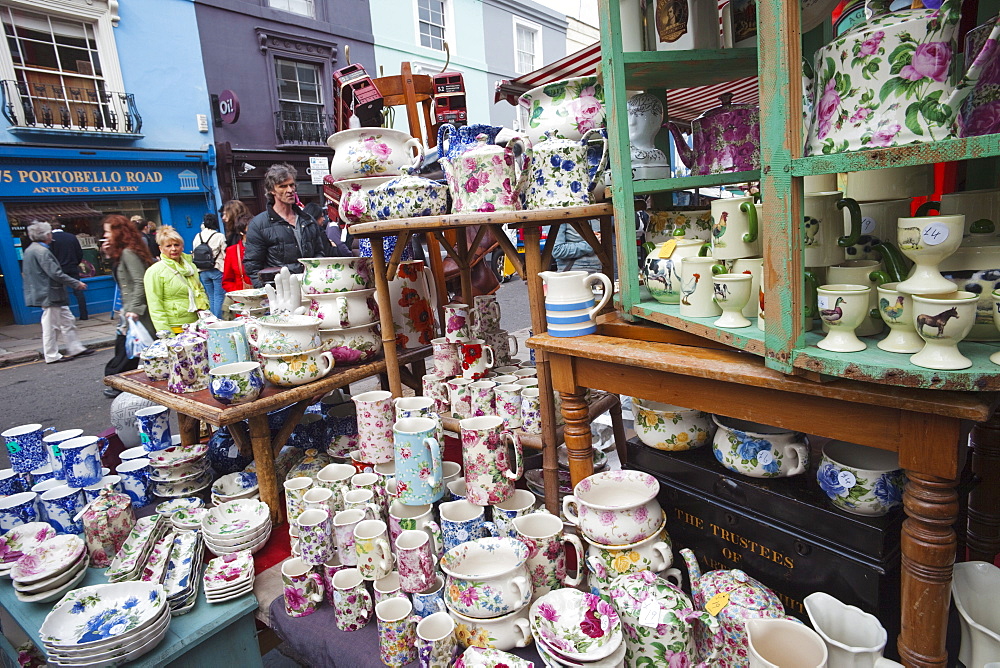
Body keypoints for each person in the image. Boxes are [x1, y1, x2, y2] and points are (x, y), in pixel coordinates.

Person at [243, 163, 331, 287]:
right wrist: (268, 293)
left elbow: (320, 252)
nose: (289, 190)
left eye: (291, 185)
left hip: (311, 287)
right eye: (283, 186)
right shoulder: (259, 224)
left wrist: (316, 275)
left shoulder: (307, 220)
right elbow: (253, 266)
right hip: (280, 292)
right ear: (272, 190)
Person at [21, 221, 93, 364]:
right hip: (49, 293)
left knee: (68, 320)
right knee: (51, 326)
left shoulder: (32, 249)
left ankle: (75, 348)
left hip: (50, 292)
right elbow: (55, 273)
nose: (51, 236)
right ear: (46, 234)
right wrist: (76, 283)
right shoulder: (41, 251)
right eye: (50, 233)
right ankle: (52, 355)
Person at [101, 214, 156, 397]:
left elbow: (140, 282)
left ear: (117, 232)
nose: (105, 235)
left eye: (107, 231)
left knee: (127, 349)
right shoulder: (124, 252)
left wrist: (133, 309)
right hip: (130, 310)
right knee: (127, 348)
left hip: (137, 311)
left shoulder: (128, 253)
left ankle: (120, 383)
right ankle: (121, 382)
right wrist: (109, 255)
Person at [144, 225, 209, 334]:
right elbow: (155, 305)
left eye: (176, 245)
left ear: (182, 247)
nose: (173, 249)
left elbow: (200, 290)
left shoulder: (190, 266)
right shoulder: (155, 271)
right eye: (168, 246)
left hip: (196, 324)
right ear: (161, 249)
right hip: (175, 327)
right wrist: (166, 333)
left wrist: (204, 310)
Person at [48, 222, 88, 320]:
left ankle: (65, 317)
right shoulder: (71, 237)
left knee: (60, 292)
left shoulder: (51, 239)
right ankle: (84, 315)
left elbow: (50, 256)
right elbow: (79, 252)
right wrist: (75, 263)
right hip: (72, 267)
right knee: (78, 291)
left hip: (59, 269)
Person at [193, 213, 226, 317]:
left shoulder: (197, 236)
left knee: (211, 296)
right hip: (216, 269)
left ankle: (212, 319)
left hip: (202, 270)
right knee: (219, 296)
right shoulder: (219, 236)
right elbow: (225, 253)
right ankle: (218, 320)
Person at [222, 217, 252, 293]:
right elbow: (227, 281)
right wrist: (238, 293)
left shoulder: (265, 247)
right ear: (242, 232)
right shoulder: (232, 251)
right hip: (243, 299)